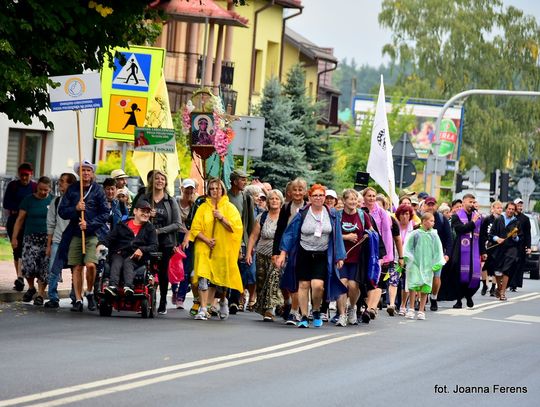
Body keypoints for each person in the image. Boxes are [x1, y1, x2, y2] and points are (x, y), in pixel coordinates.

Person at [276, 184, 347, 328]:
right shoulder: (302, 213)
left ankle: (315, 310)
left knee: (318, 285)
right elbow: (289, 234)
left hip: (322, 254)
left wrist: (339, 256)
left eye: (321, 195)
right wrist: (283, 253)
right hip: (303, 252)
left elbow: (337, 236)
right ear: (310, 197)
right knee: (303, 285)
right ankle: (303, 316)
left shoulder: (331, 214)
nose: (318, 198)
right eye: (315, 195)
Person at [59, 160, 109, 312]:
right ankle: (78, 299)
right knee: (77, 267)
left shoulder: (98, 190)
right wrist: (75, 208)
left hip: (92, 233)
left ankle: (90, 292)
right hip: (75, 233)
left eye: (88, 170)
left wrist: (90, 224)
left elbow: (105, 213)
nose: (86, 173)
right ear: (79, 173)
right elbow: (62, 211)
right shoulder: (72, 189)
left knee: (91, 265)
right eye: (83, 170)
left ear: (92, 173)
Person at [189, 177, 243, 321]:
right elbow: (195, 229)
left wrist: (222, 218)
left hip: (223, 248)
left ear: (222, 190)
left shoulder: (230, 208)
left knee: (221, 279)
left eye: (217, 188)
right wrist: (206, 240)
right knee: (202, 277)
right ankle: (203, 308)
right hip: (204, 247)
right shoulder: (203, 207)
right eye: (211, 188)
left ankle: (223, 300)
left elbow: (236, 228)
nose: (214, 191)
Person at [143, 170, 182, 315]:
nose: (160, 181)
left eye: (162, 179)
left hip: (165, 242)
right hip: (147, 240)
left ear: (165, 183)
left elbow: (177, 224)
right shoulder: (145, 198)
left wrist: (159, 231)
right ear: (152, 181)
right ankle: (146, 296)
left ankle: (163, 300)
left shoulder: (170, 201)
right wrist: (147, 215)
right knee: (147, 269)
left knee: (162, 271)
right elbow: (135, 216)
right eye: (157, 179)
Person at [100, 199, 159, 296]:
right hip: (120, 253)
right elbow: (109, 239)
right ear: (135, 211)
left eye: (148, 212)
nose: (146, 214)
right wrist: (101, 245)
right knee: (116, 260)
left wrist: (142, 249)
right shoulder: (122, 225)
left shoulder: (150, 228)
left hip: (137, 257)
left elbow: (154, 246)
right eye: (143, 211)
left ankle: (128, 287)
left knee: (128, 261)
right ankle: (113, 286)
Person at [10, 177, 53, 305]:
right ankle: (31, 287)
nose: (43, 192)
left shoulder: (53, 200)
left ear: (50, 189)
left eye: (46, 190)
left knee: (44, 267)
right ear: (37, 187)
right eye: (40, 189)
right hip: (30, 238)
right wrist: (14, 237)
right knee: (28, 265)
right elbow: (19, 219)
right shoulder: (28, 200)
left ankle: (40, 294)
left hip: (47, 238)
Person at [335, 189, 372, 326]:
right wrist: (346, 237)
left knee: (353, 286)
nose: (353, 202)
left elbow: (372, 231)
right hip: (342, 257)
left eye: (355, 199)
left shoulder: (363, 215)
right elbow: (333, 235)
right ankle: (342, 315)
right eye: (350, 199)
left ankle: (352, 308)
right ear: (344, 201)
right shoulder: (338, 215)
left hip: (358, 258)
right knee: (342, 284)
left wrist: (368, 235)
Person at [246, 189, 285, 321]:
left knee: (273, 280)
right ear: (268, 201)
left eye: (277, 199)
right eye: (272, 199)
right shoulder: (262, 217)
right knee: (262, 282)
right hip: (262, 253)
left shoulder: (284, 218)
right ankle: (266, 307)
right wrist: (249, 253)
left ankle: (270, 309)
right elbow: (253, 236)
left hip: (278, 255)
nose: (274, 201)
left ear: (281, 201)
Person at [272, 177, 307, 325]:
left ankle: (295, 311)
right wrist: (276, 252)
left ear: (305, 192)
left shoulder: (309, 207)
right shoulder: (286, 207)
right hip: (287, 247)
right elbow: (280, 230)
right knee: (285, 280)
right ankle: (289, 303)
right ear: (290, 192)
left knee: (297, 279)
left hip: (304, 247)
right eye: (295, 190)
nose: (297, 193)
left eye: (300, 190)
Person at [439, 193, 482, 309]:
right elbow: (460, 230)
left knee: (474, 275)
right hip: (460, 249)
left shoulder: (478, 216)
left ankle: (469, 295)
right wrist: (472, 222)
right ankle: (459, 299)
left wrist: (483, 252)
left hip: (474, 249)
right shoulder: (456, 216)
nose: (472, 204)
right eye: (470, 202)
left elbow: (481, 235)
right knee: (459, 274)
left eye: (474, 202)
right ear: (463, 203)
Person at [402, 213, 445, 320]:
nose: (433, 223)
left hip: (428, 266)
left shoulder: (434, 235)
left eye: (433, 221)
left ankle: (421, 310)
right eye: (431, 221)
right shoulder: (415, 234)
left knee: (425, 287)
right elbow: (408, 248)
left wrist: (438, 263)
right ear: (424, 221)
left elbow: (438, 250)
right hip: (415, 264)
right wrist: (408, 259)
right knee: (413, 286)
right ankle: (411, 309)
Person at [3, 162, 37, 292]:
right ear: (19, 174)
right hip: (14, 220)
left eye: (26, 175)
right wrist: (20, 209)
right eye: (22, 175)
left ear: (31, 174)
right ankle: (19, 277)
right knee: (16, 248)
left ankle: (25, 277)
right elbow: (6, 203)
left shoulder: (34, 186)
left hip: (29, 222)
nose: (24, 178)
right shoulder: (13, 186)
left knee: (27, 249)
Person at [44, 173, 77, 308]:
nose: (60, 184)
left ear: (71, 184)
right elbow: (51, 224)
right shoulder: (56, 201)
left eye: (63, 181)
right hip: (58, 240)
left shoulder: (78, 202)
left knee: (76, 270)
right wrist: (49, 245)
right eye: (60, 181)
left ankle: (76, 297)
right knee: (53, 269)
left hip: (74, 241)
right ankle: (53, 297)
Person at [362, 187, 393, 320]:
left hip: (378, 249)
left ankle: (371, 308)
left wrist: (386, 255)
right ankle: (366, 306)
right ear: (364, 197)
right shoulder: (361, 210)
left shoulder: (382, 213)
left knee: (378, 280)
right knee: (366, 280)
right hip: (365, 249)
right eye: (369, 195)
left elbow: (386, 233)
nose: (371, 198)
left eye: (374, 196)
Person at [227, 169, 255, 314]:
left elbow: (250, 222)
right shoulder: (225, 196)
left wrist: (251, 244)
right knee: (227, 269)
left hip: (241, 240)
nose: (245, 182)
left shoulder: (246, 198)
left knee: (239, 270)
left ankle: (234, 300)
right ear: (234, 181)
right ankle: (223, 298)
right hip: (226, 239)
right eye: (242, 179)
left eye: (245, 179)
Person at [421, 196, 453, 311]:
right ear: (424, 205)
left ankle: (433, 298)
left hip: (437, 254)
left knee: (436, 277)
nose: (430, 207)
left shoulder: (442, 219)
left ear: (436, 206)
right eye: (428, 204)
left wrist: (447, 254)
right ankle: (421, 301)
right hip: (423, 253)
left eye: (432, 205)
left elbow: (449, 238)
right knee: (422, 277)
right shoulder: (420, 218)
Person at [172, 178, 197, 309]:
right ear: (182, 189)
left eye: (191, 189)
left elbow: (195, 225)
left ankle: (181, 296)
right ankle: (175, 289)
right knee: (175, 264)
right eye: (187, 188)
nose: (189, 191)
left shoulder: (195, 205)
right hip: (175, 235)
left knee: (186, 267)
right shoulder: (175, 201)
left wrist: (187, 238)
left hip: (189, 237)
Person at [489, 201, 521, 301]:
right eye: (509, 209)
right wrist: (497, 239)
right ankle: (499, 288)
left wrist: (515, 237)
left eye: (512, 209)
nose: (510, 211)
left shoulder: (516, 222)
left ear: (515, 211)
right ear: (506, 209)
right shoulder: (499, 219)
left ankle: (502, 292)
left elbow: (519, 238)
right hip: (499, 248)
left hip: (511, 249)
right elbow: (491, 234)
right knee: (498, 270)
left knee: (506, 270)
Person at [479, 200, 503, 296]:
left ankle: (493, 286)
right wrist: (483, 246)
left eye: (501, 208)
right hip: (488, 245)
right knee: (484, 267)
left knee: (495, 267)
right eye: (497, 208)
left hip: (497, 246)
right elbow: (483, 233)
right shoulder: (487, 219)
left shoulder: (502, 219)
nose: (499, 210)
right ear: (492, 209)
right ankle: (485, 284)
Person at [395, 204, 415, 316]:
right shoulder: (395, 225)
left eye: (407, 214)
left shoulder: (414, 227)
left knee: (406, 283)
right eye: (402, 214)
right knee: (394, 281)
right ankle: (393, 303)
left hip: (409, 259)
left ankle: (403, 305)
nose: (404, 216)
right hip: (396, 257)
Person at [509, 198, 531, 292]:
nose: (519, 207)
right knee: (509, 263)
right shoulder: (510, 217)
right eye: (518, 205)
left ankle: (514, 284)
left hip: (521, 245)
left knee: (518, 265)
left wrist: (528, 246)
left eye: (521, 205)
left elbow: (527, 234)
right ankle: (507, 282)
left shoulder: (525, 219)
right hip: (510, 244)